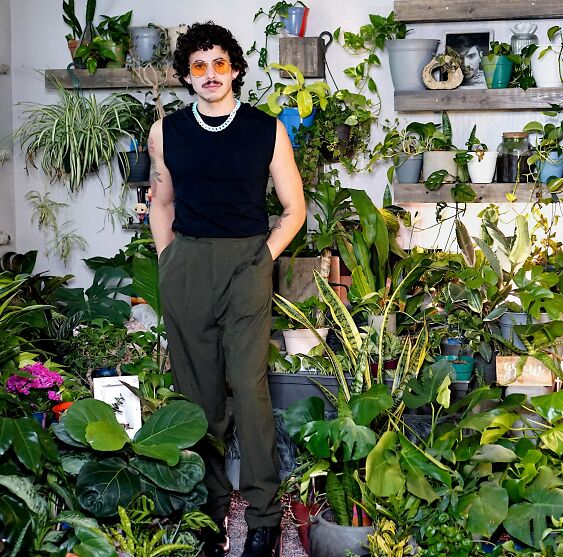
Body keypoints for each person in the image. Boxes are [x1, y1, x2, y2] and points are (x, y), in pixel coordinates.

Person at [148, 21, 306, 557]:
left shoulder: (266, 130)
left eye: (219, 63)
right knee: (197, 396)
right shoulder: (166, 132)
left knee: (249, 387)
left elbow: (294, 209)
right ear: (187, 77)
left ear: (235, 69)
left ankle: (263, 519)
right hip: (187, 263)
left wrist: (261, 258)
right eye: (198, 65)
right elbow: (161, 204)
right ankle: (206, 516)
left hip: (247, 261)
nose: (210, 74)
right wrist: (169, 259)